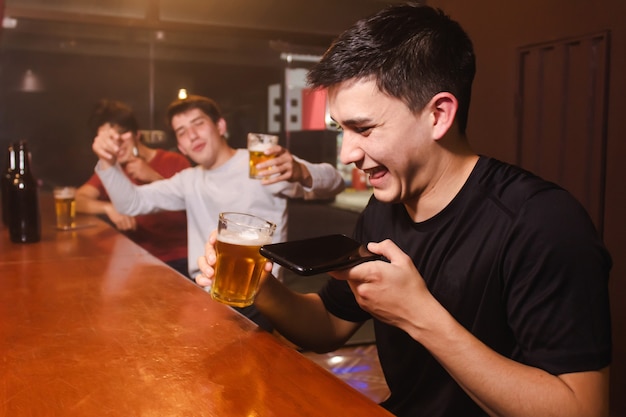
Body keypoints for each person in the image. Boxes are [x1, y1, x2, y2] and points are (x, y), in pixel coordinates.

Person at [196, 4, 612, 417]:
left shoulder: (542, 221)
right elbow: (329, 325)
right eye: (341, 130)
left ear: (438, 115)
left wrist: (419, 315)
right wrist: (262, 288)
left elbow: (581, 408)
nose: (349, 153)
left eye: (364, 128)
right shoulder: (382, 211)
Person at [91, 95, 345, 328]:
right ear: (181, 146)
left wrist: (302, 171)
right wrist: (107, 161)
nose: (192, 135)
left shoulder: (260, 165)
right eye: (182, 131)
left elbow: (335, 183)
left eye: (198, 124)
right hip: (205, 294)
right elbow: (131, 203)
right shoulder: (188, 180)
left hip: (261, 297)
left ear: (220, 126)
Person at [76, 99, 190, 276]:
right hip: (134, 258)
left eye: (120, 138)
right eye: (108, 141)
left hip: (178, 258)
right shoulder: (113, 170)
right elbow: (79, 199)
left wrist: (153, 177)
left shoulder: (174, 161)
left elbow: (194, 207)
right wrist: (110, 208)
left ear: (136, 135)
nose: (116, 146)